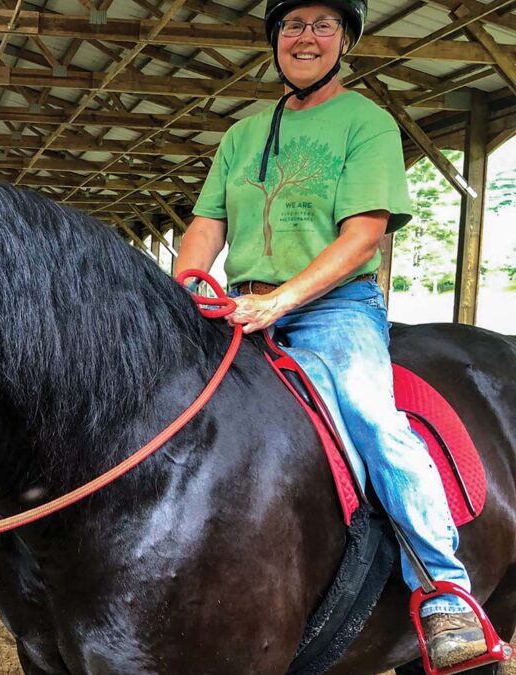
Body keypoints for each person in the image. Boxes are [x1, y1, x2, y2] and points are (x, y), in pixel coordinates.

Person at [172, 0, 490, 668]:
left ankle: (444, 588)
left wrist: (284, 299)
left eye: (321, 25)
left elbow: (363, 232)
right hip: (240, 304)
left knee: (373, 419)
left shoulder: (366, 122)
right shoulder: (243, 132)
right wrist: (189, 280)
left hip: (331, 308)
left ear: (345, 39)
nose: (305, 37)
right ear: (275, 40)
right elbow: (205, 224)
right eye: (293, 25)